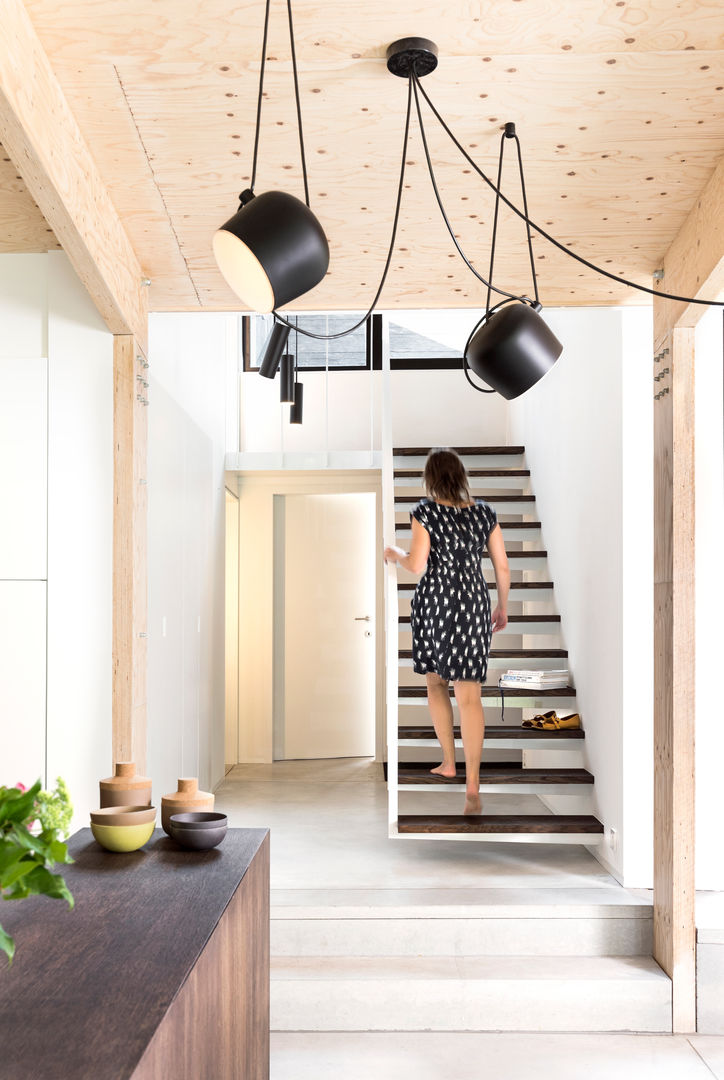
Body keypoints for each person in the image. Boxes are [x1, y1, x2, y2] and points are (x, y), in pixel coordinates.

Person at [384, 448, 510, 815]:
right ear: (460, 475)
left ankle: (448, 762)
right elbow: (502, 566)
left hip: (436, 604)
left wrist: (394, 552)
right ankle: (472, 784)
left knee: (436, 683)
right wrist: (501, 605)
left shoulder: (425, 512)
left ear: (430, 478)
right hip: (472, 603)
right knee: (469, 695)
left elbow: (417, 565)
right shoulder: (484, 512)